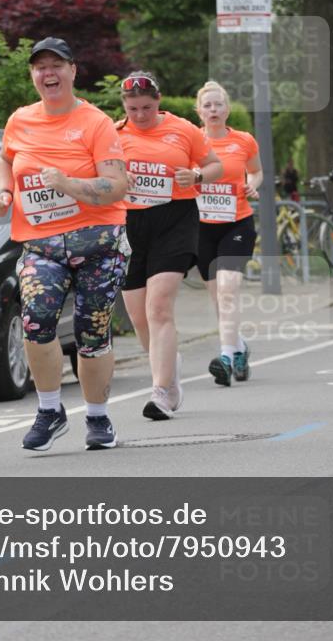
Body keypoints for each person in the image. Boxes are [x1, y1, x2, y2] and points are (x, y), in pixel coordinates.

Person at [0, 37, 128, 451]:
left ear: (72, 71)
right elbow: (5, 158)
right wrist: (4, 191)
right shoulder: (20, 120)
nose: (47, 74)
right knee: (35, 321)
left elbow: (118, 185)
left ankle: (98, 417)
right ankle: (50, 411)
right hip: (41, 245)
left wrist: (68, 184)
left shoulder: (96, 123)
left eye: (56, 65)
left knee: (92, 332)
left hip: (98, 244)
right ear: (33, 75)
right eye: (39, 67)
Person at [117, 72, 222, 419]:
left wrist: (197, 177)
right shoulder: (115, 133)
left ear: (158, 101)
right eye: (133, 109)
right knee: (138, 316)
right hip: (131, 224)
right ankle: (170, 373)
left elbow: (214, 165)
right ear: (124, 105)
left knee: (158, 307)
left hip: (175, 219)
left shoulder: (183, 129)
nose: (141, 115)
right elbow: (98, 172)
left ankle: (161, 392)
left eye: (147, 107)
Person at [194, 80, 263, 387]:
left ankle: (225, 356)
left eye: (218, 104)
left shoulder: (244, 140)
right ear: (199, 111)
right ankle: (239, 346)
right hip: (202, 228)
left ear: (227, 109)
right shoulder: (190, 141)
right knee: (219, 298)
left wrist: (253, 184)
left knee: (229, 286)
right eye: (207, 105)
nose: (213, 110)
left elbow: (256, 170)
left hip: (237, 223)